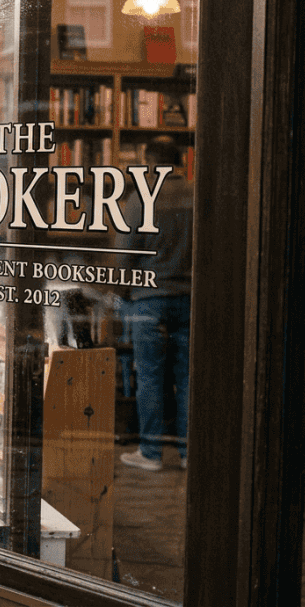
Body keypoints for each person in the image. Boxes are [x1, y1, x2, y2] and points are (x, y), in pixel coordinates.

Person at [120, 136, 193, 471]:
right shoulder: (198, 195)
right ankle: (189, 451)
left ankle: (150, 453)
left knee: (149, 376)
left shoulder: (140, 199)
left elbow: (124, 259)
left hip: (148, 299)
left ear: (149, 162)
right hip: (191, 298)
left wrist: (121, 295)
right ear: (180, 160)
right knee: (189, 377)